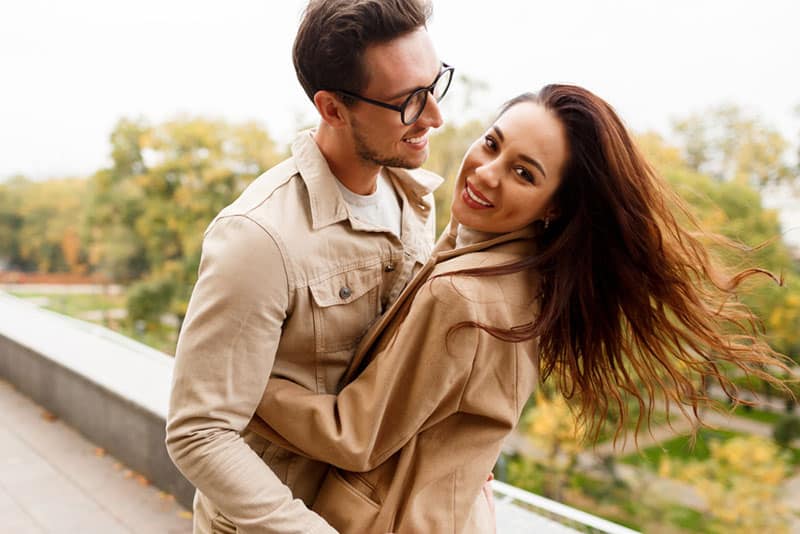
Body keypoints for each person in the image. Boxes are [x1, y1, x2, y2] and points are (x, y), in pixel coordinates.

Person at [248, 84, 793, 533]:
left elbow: (356, 434)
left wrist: (247, 385)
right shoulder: (526, 278)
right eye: (491, 144)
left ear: (553, 205)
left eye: (524, 172)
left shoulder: (465, 294)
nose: (487, 172)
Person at [165, 1, 450, 532]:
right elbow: (198, 432)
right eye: (408, 101)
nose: (434, 116)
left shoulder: (415, 202)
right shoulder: (258, 237)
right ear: (333, 108)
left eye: (435, 85)